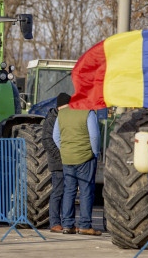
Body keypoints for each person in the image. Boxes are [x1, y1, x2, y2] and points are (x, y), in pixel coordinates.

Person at [53, 92, 102, 236]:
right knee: (86, 190)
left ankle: (67, 225)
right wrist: (95, 152)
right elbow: (94, 136)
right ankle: (84, 226)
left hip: (67, 158)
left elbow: (55, 136)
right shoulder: (88, 112)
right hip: (85, 157)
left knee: (69, 190)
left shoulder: (61, 114)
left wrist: (65, 150)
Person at [42, 96, 64, 233]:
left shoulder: (64, 117)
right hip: (57, 161)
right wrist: (61, 156)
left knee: (68, 192)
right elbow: (47, 141)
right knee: (58, 191)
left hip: (67, 160)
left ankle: (67, 222)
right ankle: (54, 222)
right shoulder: (51, 119)